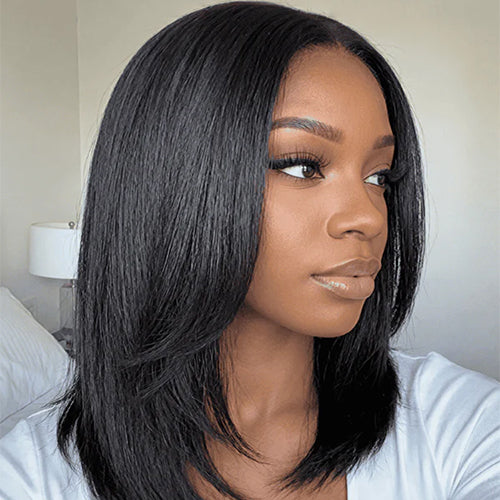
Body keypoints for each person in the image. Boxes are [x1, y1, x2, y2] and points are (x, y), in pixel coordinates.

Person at [1, 2, 499, 499]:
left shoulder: (461, 425)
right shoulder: (30, 478)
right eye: (303, 166)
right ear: (174, 181)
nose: (369, 217)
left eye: (379, 176)